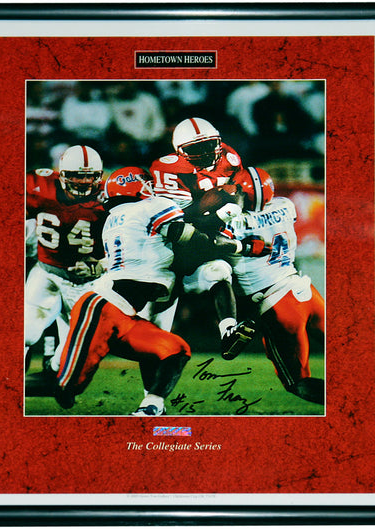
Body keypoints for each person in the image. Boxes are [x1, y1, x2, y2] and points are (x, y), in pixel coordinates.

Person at [53, 166, 245, 415]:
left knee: (176, 343)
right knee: (68, 385)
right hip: (126, 296)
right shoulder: (152, 206)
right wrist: (228, 225)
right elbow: (189, 234)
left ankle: (227, 333)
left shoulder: (114, 218)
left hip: (143, 289)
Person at [149, 117, 255, 356]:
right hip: (168, 248)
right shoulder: (168, 168)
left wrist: (229, 205)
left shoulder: (229, 157)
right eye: (197, 148)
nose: (206, 152)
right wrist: (220, 208)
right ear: (179, 151)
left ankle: (228, 332)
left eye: (209, 145)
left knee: (220, 271)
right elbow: (180, 222)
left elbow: (237, 192)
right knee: (155, 330)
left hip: (202, 242)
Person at [221, 167, 325, 404]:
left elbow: (214, 242)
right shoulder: (285, 205)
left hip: (276, 303)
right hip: (305, 291)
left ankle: (350, 404)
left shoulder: (235, 221)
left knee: (297, 383)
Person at [25, 145, 108, 391]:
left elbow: (127, 240)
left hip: (89, 282)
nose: (83, 181)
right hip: (47, 272)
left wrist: (102, 265)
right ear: (61, 174)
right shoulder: (38, 186)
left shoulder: (110, 198)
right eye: (76, 175)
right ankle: (6, 385)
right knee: (25, 332)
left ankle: (51, 373)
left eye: (89, 176)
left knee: (73, 366)